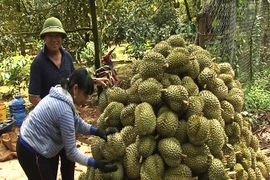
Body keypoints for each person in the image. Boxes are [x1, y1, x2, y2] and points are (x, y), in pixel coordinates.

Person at [27, 16, 109, 180]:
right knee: (49, 166)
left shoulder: (67, 57)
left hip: (67, 119)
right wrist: (52, 112)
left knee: (69, 165)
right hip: (50, 130)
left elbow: (74, 82)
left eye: (57, 35)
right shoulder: (38, 63)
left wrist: (93, 80)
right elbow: (33, 97)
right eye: (50, 35)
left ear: (62, 38)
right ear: (44, 38)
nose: (54, 39)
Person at [17, 67, 118, 180]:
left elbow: (77, 122)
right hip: (31, 150)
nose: (86, 99)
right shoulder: (64, 110)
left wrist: (97, 132)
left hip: (36, 143)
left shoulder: (63, 93)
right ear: (75, 88)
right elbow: (71, 152)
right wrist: (95, 164)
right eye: (85, 95)